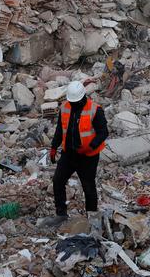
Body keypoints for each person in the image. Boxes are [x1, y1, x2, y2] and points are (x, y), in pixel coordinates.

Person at [43, 82, 108, 227]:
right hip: (69, 154)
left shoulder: (95, 109)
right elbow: (60, 129)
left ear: (83, 97)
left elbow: (103, 132)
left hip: (88, 157)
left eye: (75, 102)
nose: (73, 104)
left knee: (88, 187)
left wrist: (90, 147)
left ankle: (92, 219)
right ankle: (61, 214)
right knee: (58, 181)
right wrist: (54, 146)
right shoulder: (65, 107)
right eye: (71, 101)